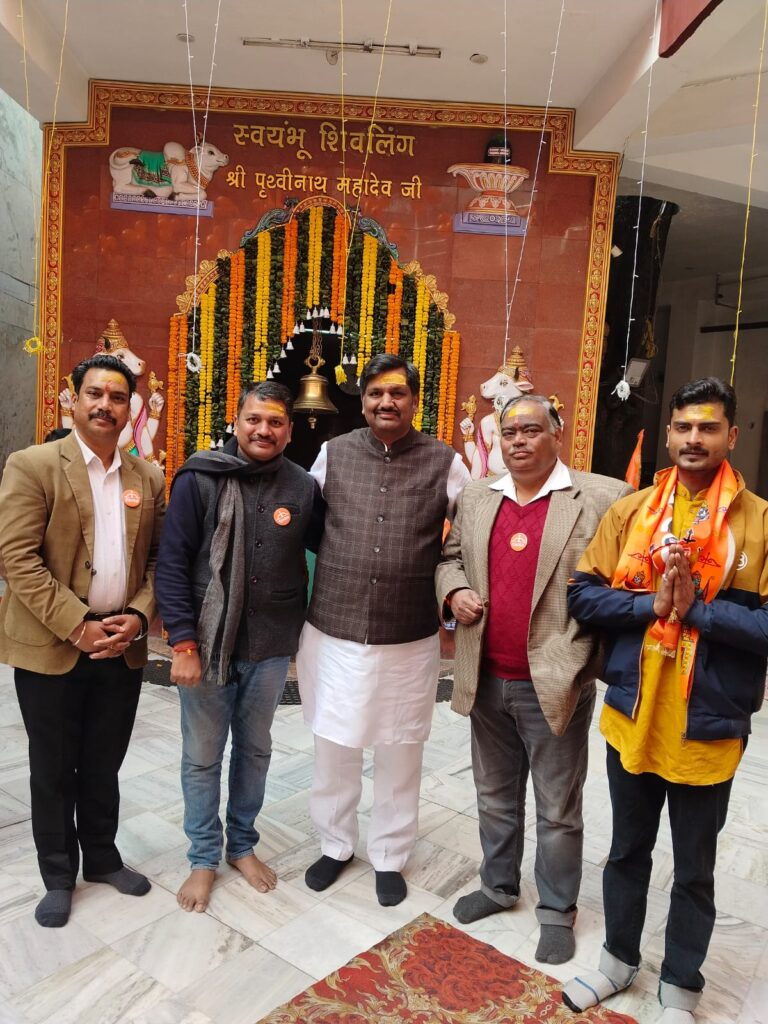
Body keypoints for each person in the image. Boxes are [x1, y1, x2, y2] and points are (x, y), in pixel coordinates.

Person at [562, 378, 768, 1023]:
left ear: (731, 436)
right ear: (670, 434)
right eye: (683, 427)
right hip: (635, 713)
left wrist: (698, 611)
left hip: (707, 725)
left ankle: (681, 983)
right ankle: (617, 961)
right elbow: (581, 594)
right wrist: (649, 605)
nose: (693, 438)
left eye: (708, 427)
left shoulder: (759, 522)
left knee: (694, 868)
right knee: (626, 850)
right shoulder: (633, 513)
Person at [436, 395, 631, 964]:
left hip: (555, 680)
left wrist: (594, 656)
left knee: (557, 806)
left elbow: (623, 582)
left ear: (556, 434)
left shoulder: (604, 497)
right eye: (509, 432)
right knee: (494, 795)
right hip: (485, 677)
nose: (518, 441)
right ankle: (498, 885)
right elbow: (449, 558)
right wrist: (454, 590)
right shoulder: (478, 496)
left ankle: (556, 909)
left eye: (531, 430)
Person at [297, 353, 470, 906]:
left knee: (400, 747)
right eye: (375, 393)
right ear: (364, 400)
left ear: (415, 401)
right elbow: (307, 519)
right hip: (334, 628)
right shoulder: (334, 452)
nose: (386, 402)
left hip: (408, 635)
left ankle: (390, 855)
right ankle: (335, 844)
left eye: (397, 393)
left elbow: (469, 532)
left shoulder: (445, 461)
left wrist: (452, 588)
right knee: (334, 742)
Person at [0, 354, 166, 927]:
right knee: (53, 767)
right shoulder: (34, 465)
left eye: (117, 397)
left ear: (129, 407)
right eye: (94, 393)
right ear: (73, 399)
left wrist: (139, 617)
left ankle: (101, 858)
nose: (105, 405)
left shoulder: (147, 477)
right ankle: (56, 875)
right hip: (53, 646)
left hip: (121, 646)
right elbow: (17, 560)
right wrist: (78, 624)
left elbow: (159, 563)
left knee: (103, 762)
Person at [155, 381, 324, 913]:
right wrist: (183, 642)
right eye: (254, 419)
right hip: (206, 644)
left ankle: (242, 845)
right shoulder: (200, 477)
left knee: (254, 750)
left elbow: (335, 546)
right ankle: (204, 856)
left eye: (275, 422)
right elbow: (172, 563)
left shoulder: (302, 487)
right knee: (203, 756)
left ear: (289, 431)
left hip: (270, 645)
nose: (263, 430)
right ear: (237, 422)